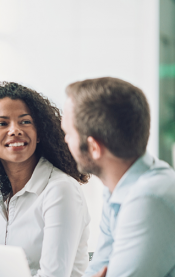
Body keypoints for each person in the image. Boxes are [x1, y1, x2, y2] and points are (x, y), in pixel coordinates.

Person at [0, 82, 91, 277]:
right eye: (2, 123)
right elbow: (20, 268)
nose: (15, 130)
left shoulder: (60, 190)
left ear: (39, 133)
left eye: (25, 122)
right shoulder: (8, 195)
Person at [61, 77, 175, 277]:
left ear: (94, 148)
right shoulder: (118, 187)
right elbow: (99, 269)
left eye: (68, 134)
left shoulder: (148, 200)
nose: (65, 140)